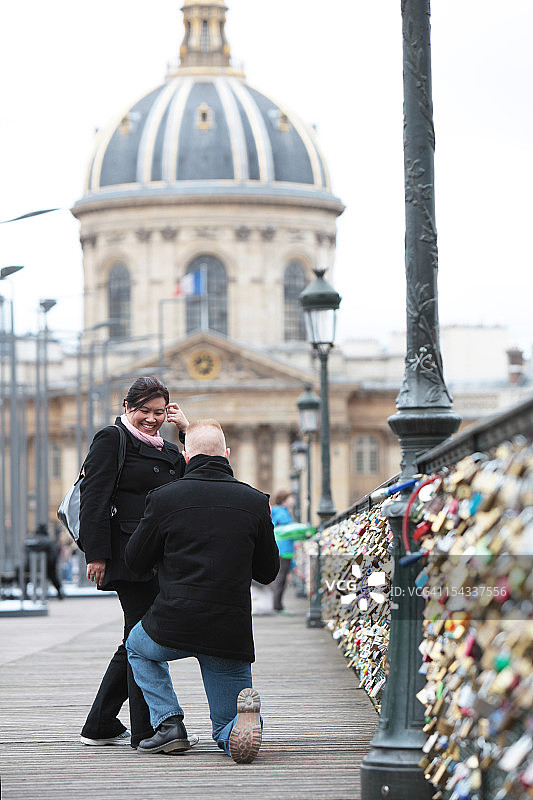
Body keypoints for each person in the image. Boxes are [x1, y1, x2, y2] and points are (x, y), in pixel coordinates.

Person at [124, 419, 279, 763]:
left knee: (136, 647)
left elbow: (135, 560)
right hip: (229, 628)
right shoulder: (254, 502)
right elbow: (268, 572)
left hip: (173, 621)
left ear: (185, 456)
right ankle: (238, 730)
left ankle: (169, 724)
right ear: (227, 454)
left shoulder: (164, 499)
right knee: (227, 719)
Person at [78, 376, 191, 749]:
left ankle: (100, 723)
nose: (152, 419)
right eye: (145, 411)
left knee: (136, 638)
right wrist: (96, 555)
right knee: (142, 635)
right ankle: (145, 730)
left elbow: (193, 478)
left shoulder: (168, 448)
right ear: (127, 408)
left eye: (160, 412)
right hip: (128, 555)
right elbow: (93, 499)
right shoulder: (112, 439)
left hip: (161, 554)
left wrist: (186, 432)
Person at [270, 490, 296, 613]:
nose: (293, 500)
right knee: (280, 579)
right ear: (284, 499)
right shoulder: (282, 512)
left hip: (285, 549)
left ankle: (278, 605)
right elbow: (287, 529)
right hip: (283, 549)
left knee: (282, 578)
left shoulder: (280, 511)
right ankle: (277, 606)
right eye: (291, 498)